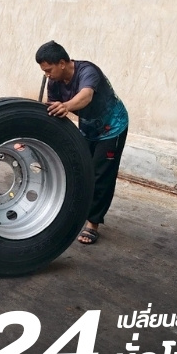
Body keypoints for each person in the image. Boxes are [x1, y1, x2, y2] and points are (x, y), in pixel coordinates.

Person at [35, 40, 128, 245]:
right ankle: (76, 213)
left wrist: (66, 106)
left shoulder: (88, 71)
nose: (47, 75)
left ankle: (93, 223)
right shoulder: (54, 82)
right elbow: (52, 111)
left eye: (49, 70)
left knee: (101, 175)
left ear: (62, 63)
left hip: (112, 128)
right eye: (44, 71)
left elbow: (85, 96)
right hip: (88, 128)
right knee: (79, 169)